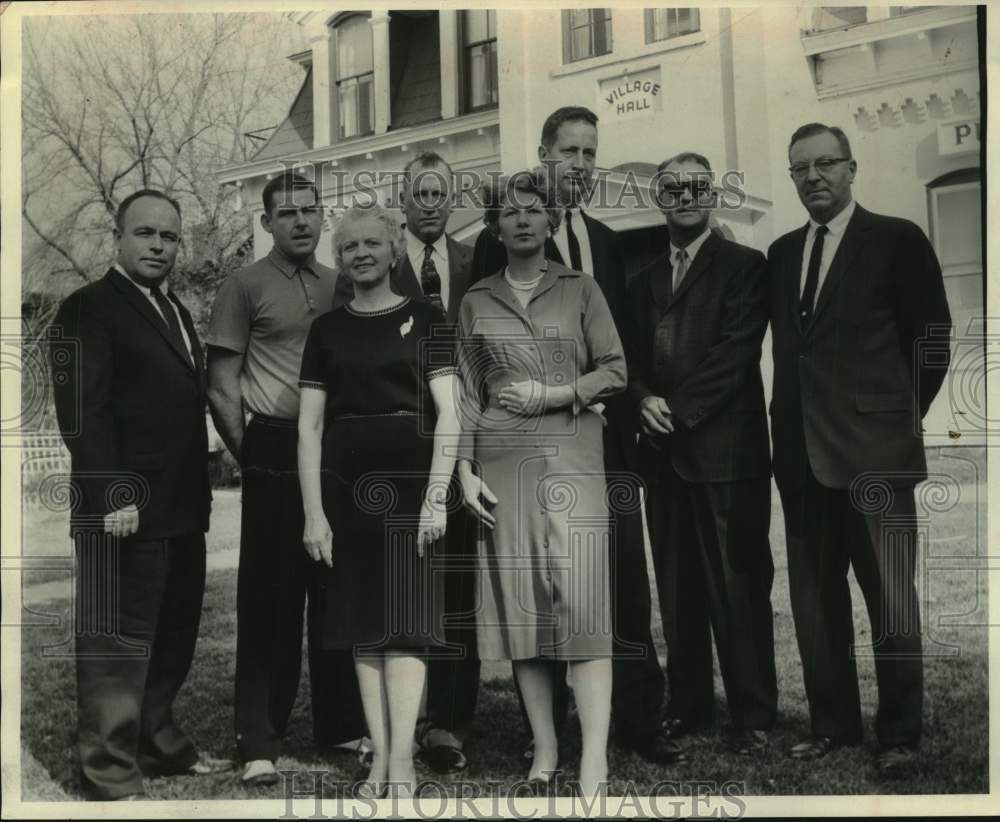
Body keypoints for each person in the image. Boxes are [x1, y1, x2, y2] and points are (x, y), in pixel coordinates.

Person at [472, 106, 679, 765]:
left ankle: (638, 723)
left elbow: (620, 348)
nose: (582, 165)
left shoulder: (608, 244)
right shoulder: (506, 237)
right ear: (543, 154)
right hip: (527, 448)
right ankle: (550, 734)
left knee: (618, 580)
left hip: (606, 443)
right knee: (541, 582)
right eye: (570, 152)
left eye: (592, 153)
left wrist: (637, 396)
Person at [768, 123, 952, 774]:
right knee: (817, 608)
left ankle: (899, 735)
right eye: (800, 169)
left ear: (852, 169)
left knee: (891, 603)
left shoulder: (897, 240)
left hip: (877, 457)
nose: (813, 177)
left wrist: (897, 420)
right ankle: (834, 726)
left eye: (825, 164)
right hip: (801, 460)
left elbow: (931, 340)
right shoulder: (783, 252)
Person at [49, 189, 232, 800]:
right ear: (119, 237)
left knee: (172, 637)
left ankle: (158, 743)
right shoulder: (87, 309)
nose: (159, 245)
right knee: (114, 644)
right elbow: (82, 414)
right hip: (119, 512)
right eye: (146, 233)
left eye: (170, 237)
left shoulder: (173, 308)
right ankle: (107, 768)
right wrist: (114, 494)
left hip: (180, 510)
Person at [458, 171, 624, 796]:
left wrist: (556, 393)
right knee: (523, 611)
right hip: (502, 468)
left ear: (552, 221)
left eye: (534, 211)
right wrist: (464, 469)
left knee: (582, 609)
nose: (523, 220)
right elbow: (469, 395)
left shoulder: (581, 289)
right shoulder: (475, 299)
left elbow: (615, 370)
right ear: (494, 226)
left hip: (573, 461)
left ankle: (595, 760)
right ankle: (546, 751)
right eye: (510, 212)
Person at [297, 203, 461, 797]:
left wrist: (438, 497)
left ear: (395, 249)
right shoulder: (327, 330)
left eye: (372, 243)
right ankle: (382, 754)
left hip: (415, 483)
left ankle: (406, 763)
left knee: (407, 623)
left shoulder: (428, 317)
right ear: (338, 259)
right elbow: (309, 427)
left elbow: (450, 414)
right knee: (364, 625)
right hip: (345, 489)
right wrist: (314, 513)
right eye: (348, 247)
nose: (360, 253)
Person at [205, 173, 363, 785]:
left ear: (323, 218)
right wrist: (255, 458)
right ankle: (259, 739)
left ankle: (341, 724)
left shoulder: (341, 283)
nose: (301, 221)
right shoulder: (242, 285)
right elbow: (221, 385)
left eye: (311, 211)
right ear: (267, 221)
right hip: (272, 442)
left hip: (335, 447)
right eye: (287, 212)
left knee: (333, 589)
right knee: (269, 596)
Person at [625, 153, 777, 755]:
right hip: (663, 458)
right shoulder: (642, 278)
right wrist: (641, 400)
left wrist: (676, 410)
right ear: (658, 198)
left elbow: (737, 352)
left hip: (724, 455)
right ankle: (689, 707)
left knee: (737, 587)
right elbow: (629, 357)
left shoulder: (744, 265)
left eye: (696, 186)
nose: (685, 196)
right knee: (679, 587)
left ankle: (754, 714)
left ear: (712, 195)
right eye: (672, 187)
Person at [391, 152, 479, 775]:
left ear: (451, 200)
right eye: (418, 192)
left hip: (466, 445)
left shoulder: (479, 262)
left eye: (438, 192)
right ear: (404, 198)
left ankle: (447, 720)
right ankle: (399, 717)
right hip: (395, 450)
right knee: (397, 582)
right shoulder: (372, 264)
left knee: (456, 585)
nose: (429, 202)